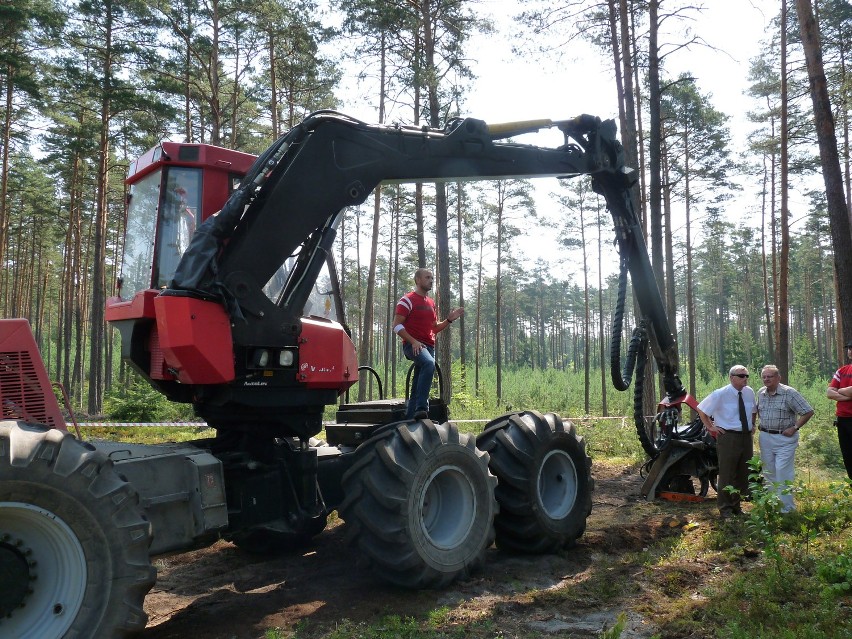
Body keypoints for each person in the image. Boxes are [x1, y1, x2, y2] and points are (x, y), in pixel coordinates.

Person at [392, 268, 464, 420]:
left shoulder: (431, 303)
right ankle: (422, 408)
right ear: (418, 280)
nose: (431, 280)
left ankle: (410, 420)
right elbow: (396, 326)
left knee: (417, 382)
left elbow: (434, 328)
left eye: (432, 278)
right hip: (412, 345)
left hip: (429, 346)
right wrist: (413, 341)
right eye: (427, 277)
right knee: (429, 364)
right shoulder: (407, 300)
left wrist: (449, 320)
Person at [696, 365, 756, 519]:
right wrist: (710, 427)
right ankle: (725, 509)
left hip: (746, 437)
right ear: (731, 377)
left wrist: (752, 425)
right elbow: (701, 409)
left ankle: (737, 507)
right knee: (727, 473)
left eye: (746, 375)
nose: (745, 379)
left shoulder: (749, 392)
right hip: (728, 437)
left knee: (743, 473)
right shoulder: (720, 394)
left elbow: (753, 411)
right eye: (741, 376)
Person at [755, 364, 814, 512]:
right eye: (764, 377)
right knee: (768, 472)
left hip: (785, 439)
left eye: (770, 376)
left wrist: (795, 427)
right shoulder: (761, 393)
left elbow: (807, 411)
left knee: (782, 472)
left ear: (778, 377)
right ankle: (772, 505)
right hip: (765, 437)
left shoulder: (789, 393)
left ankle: (787, 510)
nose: (766, 379)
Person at [826, 341, 852, 480]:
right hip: (843, 420)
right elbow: (829, 393)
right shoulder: (842, 371)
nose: (850, 350)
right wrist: (847, 394)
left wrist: (840, 390)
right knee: (848, 456)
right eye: (849, 348)